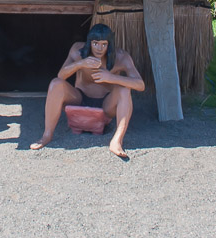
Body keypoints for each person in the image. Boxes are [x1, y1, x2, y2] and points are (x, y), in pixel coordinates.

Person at [30, 24, 144, 159]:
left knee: (124, 89)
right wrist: (80, 64)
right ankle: (47, 135)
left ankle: (117, 141)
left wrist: (111, 77)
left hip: (107, 103)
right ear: (89, 42)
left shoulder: (120, 57)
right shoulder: (77, 50)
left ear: (109, 45)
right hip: (80, 98)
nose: (99, 48)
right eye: (95, 43)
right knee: (56, 84)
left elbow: (140, 85)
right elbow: (61, 75)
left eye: (103, 44)